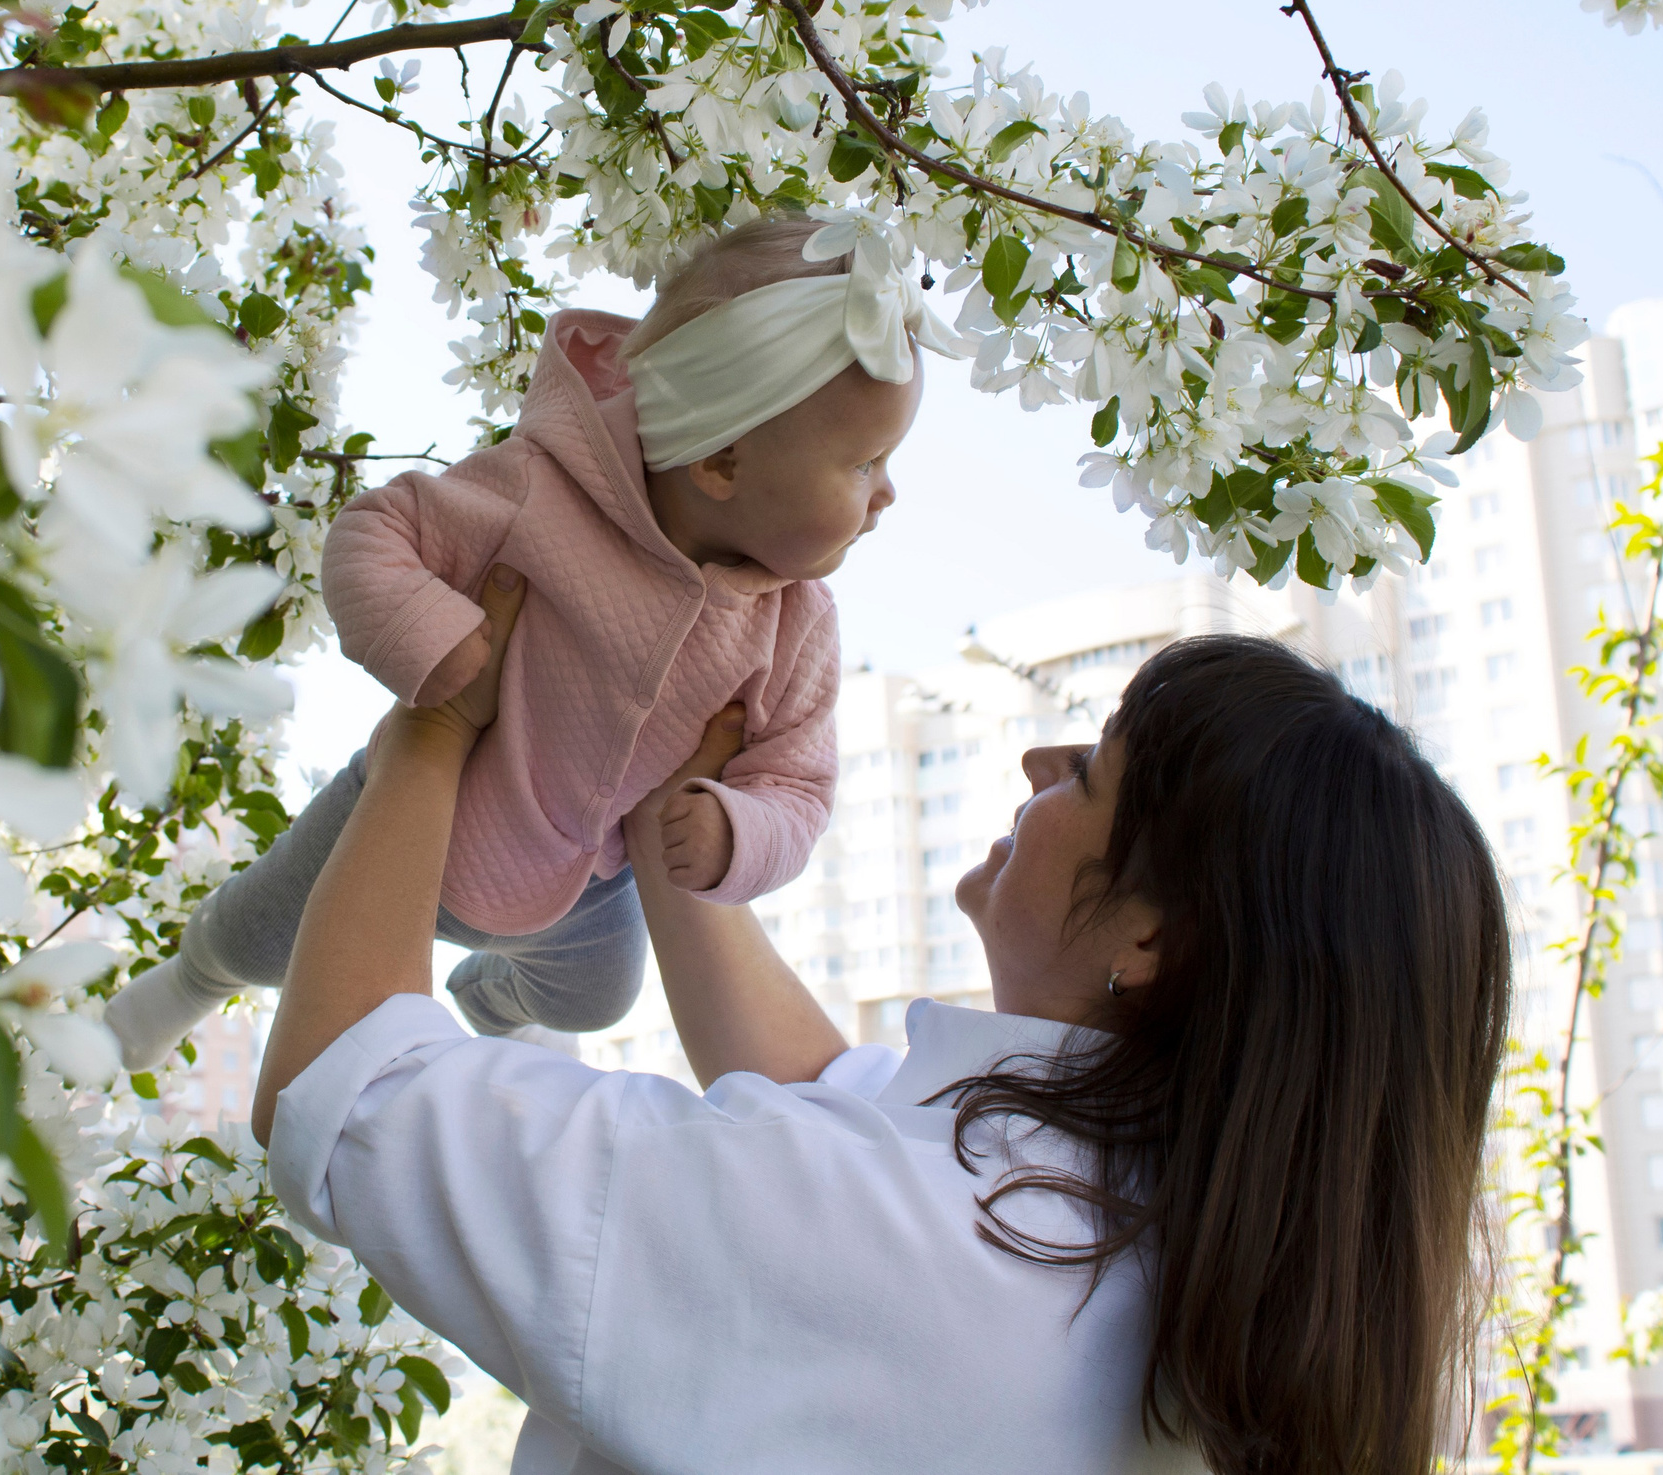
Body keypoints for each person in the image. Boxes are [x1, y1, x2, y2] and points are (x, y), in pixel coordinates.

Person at [254, 568, 1512, 1475]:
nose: (1038, 767)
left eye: (1089, 771)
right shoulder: (1154, 1234)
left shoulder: (941, 1253)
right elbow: (822, 1092)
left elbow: (344, 1085)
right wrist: (660, 807)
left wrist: (429, 734)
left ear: (1151, 938)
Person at [106, 216, 968, 1066]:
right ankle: (193, 978)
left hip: (579, 889)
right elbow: (376, 532)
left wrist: (739, 830)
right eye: (864, 464)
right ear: (724, 464)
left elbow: (797, 783)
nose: (887, 494)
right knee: (266, 929)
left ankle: (489, 995)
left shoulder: (797, 627)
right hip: (410, 815)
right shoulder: (539, 491)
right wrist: (426, 634)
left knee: (598, 997)